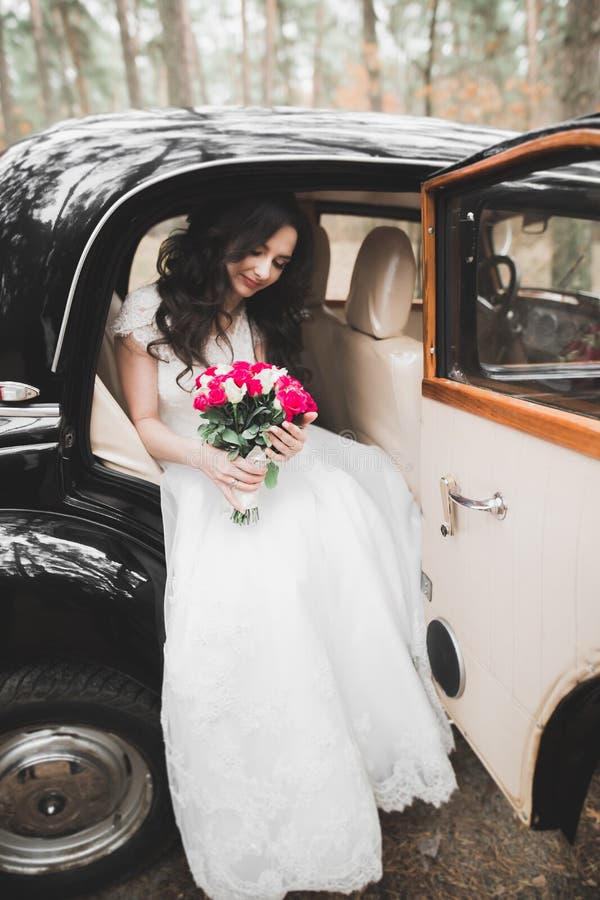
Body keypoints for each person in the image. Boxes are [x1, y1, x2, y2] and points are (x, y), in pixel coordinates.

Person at [111, 193, 457, 900]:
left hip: (255, 460)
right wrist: (210, 463)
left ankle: (343, 738)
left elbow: (271, 400)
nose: (264, 270)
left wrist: (285, 436)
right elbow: (146, 422)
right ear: (218, 240)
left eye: (281, 261)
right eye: (255, 252)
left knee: (354, 493)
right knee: (262, 592)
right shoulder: (148, 311)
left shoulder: (253, 318)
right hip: (192, 469)